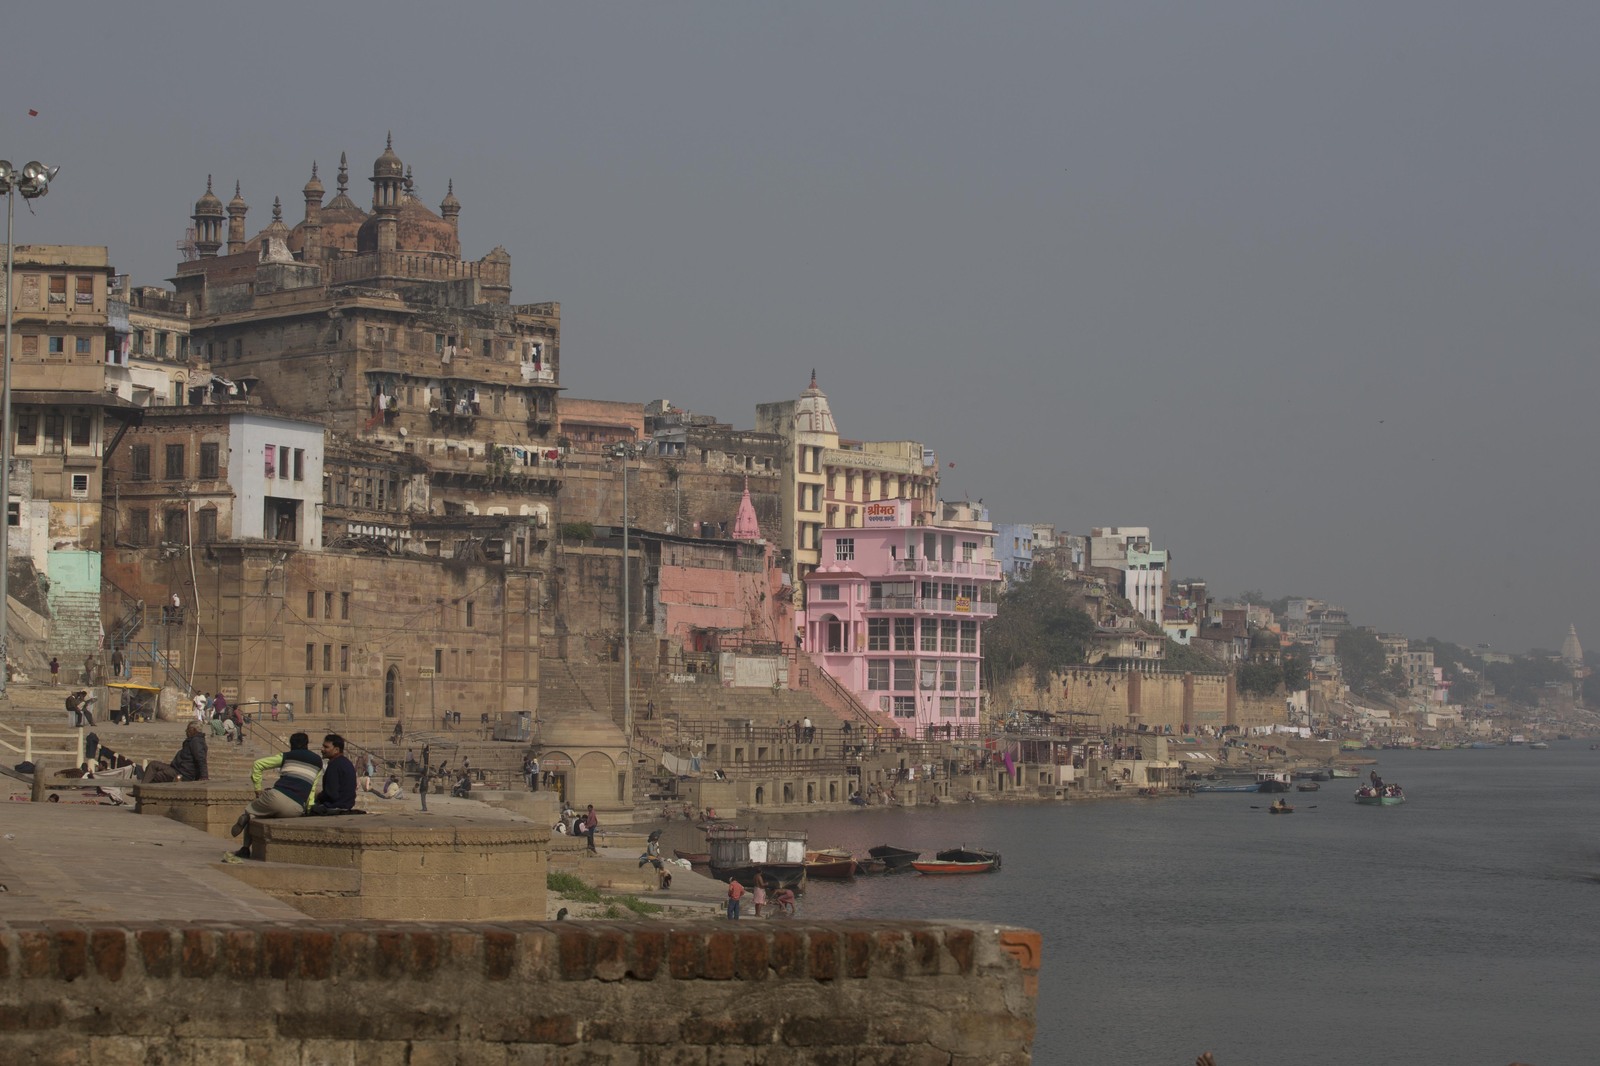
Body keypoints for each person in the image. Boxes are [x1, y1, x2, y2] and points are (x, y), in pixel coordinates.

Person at [231, 732, 322, 858]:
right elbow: (312, 790)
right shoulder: (318, 763)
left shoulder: (287, 756)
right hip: (296, 807)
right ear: (307, 744)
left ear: (291, 745)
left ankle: (245, 847)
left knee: (252, 814)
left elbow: (258, 764)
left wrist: (258, 789)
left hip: (276, 797)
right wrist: (308, 808)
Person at [144, 723, 210, 783]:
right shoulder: (192, 740)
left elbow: (201, 759)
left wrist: (204, 776)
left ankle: (144, 790)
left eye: (188, 729)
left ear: (194, 730)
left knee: (157, 776)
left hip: (183, 773)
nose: (186, 731)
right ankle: (141, 787)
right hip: (176, 768)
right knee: (153, 764)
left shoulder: (196, 741)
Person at [309, 734, 357, 815]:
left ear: (336, 750)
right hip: (346, 805)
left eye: (326, 747)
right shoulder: (346, 762)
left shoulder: (335, 765)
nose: (322, 749)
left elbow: (331, 794)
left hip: (336, 806)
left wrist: (318, 797)